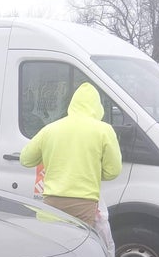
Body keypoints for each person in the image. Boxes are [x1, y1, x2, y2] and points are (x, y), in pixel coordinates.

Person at [19, 82, 122, 227]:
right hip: (84, 203)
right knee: (79, 246)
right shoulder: (104, 130)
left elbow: (25, 159)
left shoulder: (50, 129)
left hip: (52, 202)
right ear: (98, 107)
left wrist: (52, 159)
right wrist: (91, 171)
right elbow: (113, 171)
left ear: (72, 104)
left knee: (53, 244)